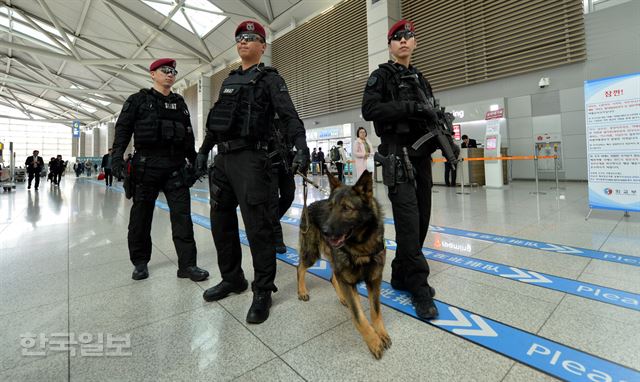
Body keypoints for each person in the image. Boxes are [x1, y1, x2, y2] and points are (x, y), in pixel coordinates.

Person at [195, 20, 309, 324]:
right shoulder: (229, 80)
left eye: (251, 38)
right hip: (223, 161)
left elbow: (289, 115)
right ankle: (233, 279)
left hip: (252, 161)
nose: (244, 42)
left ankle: (263, 291)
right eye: (240, 38)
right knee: (221, 223)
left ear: (263, 46)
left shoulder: (271, 79)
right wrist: (204, 150)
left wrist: (302, 146)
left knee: (258, 228)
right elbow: (216, 120)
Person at [362, 19, 460, 319]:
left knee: (422, 220)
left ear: (414, 43)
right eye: (396, 38)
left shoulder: (420, 79)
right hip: (397, 155)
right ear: (390, 46)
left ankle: (401, 274)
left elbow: (431, 114)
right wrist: (411, 109)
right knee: (407, 221)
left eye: (408, 37)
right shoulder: (381, 76)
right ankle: (418, 286)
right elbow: (370, 110)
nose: (403, 41)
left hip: (421, 158)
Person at [111, 57, 209, 282]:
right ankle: (140, 262)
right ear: (152, 74)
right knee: (141, 218)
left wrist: (196, 162)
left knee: (182, 218)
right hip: (146, 168)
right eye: (164, 70)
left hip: (175, 168)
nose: (170, 74)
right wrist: (116, 158)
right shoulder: (137, 100)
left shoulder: (180, 103)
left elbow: (188, 136)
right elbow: (123, 131)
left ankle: (187, 265)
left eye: (173, 71)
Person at [268, 118, 296, 255]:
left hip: (286, 163)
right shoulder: (263, 114)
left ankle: (270, 222)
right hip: (268, 166)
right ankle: (277, 238)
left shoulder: (285, 117)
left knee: (289, 196)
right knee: (272, 202)